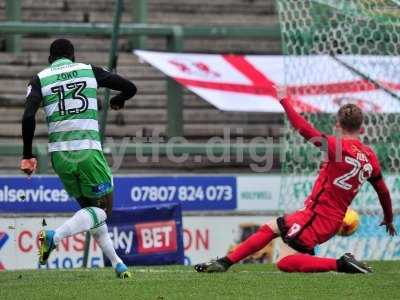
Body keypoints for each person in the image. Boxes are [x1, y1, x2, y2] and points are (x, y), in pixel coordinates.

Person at [195, 86, 396, 274]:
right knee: (271, 228)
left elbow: (304, 128)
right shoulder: (370, 157)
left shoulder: (337, 147)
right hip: (324, 215)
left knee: (285, 262)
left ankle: (341, 263)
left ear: (337, 124)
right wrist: (388, 218)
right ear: (361, 128)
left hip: (319, 215)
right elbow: (383, 192)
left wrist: (284, 100)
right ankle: (224, 263)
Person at [20, 39, 137, 278]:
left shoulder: (39, 79)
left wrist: (28, 155)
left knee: (90, 211)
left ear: (50, 59)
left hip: (59, 156)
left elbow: (28, 116)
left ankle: (117, 264)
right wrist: (118, 100)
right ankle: (54, 237)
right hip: (87, 151)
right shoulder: (88, 70)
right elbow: (130, 87)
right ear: (72, 57)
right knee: (104, 208)